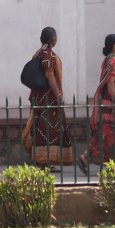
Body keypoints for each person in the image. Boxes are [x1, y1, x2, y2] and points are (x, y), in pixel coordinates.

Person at [78, 34, 115, 174]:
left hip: (114, 101)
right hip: (113, 102)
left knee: (109, 134)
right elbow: (110, 83)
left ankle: (87, 158)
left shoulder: (112, 60)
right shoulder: (113, 61)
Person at [24, 27, 73, 169]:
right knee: (48, 129)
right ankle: (44, 160)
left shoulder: (39, 52)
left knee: (41, 128)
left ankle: (44, 161)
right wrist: (58, 94)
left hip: (39, 96)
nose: (56, 40)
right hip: (48, 97)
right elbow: (49, 75)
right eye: (55, 37)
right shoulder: (48, 54)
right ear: (53, 39)